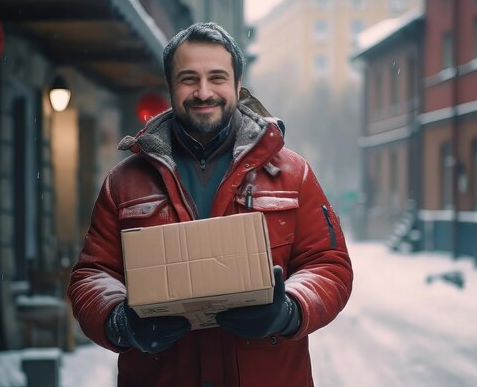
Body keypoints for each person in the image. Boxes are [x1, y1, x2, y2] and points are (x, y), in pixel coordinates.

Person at [67, 21, 353, 387]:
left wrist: (289, 310)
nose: (204, 92)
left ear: (236, 84)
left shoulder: (292, 174)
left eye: (217, 78)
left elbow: (329, 265)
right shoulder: (124, 182)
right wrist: (121, 321)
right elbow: (92, 275)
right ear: (170, 86)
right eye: (189, 79)